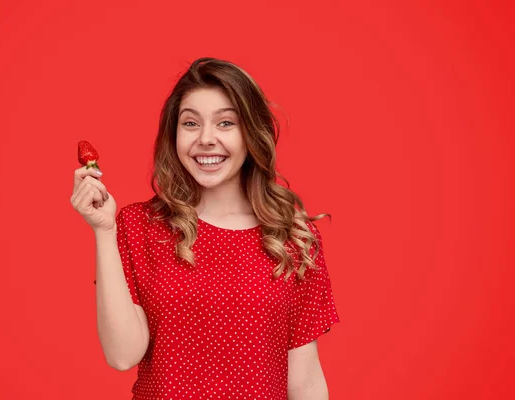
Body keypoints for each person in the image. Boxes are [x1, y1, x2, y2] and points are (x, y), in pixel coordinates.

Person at [70, 57, 340, 399]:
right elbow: (122, 355)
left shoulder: (293, 239)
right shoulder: (139, 226)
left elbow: (306, 381)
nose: (206, 139)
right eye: (191, 123)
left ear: (251, 133)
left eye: (226, 122)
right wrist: (104, 231)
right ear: (175, 134)